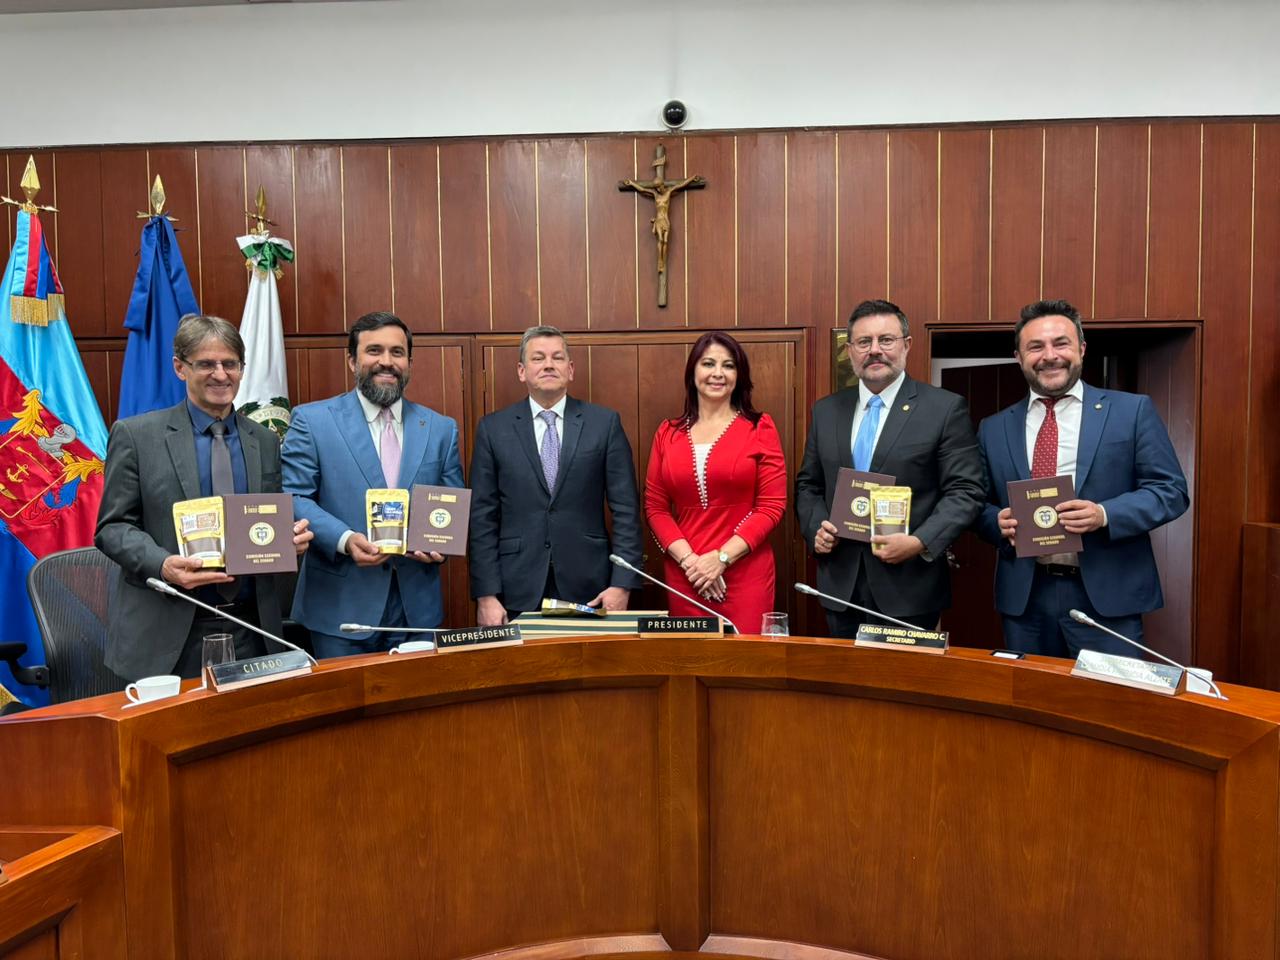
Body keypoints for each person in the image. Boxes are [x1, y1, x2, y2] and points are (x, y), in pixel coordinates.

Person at [96, 314, 313, 680]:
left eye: (230, 364)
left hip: (252, 629)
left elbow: (265, 522)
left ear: (242, 369)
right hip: (166, 631)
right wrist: (163, 566)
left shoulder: (264, 440)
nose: (220, 374)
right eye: (206, 364)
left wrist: (288, 541)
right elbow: (113, 527)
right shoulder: (136, 436)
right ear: (180, 368)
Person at [975, 299, 1189, 657]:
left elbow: (1170, 491)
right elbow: (976, 503)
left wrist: (1104, 514)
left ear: (1082, 349)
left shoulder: (1131, 411)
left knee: (1108, 706)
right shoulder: (993, 428)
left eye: (1061, 343)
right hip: (1026, 598)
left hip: (1107, 595)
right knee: (1031, 706)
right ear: (1019, 356)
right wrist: (994, 522)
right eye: (1035, 347)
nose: (1049, 355)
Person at [795, 299, 985, 637]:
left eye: (886, 340)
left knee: (904, 688)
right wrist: (816, 529)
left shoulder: (943, 408)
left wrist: (919, 542)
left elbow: (966, 491)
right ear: (850, 350)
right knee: (845, 685)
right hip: (841, 586)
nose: (875, 351)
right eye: (864, 342)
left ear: (906, 345)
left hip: (910, 587)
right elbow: (809, 485)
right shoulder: (826, 411)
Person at [281, 311, 463, 657]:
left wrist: (440, 546)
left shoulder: (440, 429)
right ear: (352, 360)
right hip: (340, 609)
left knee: (416, 710)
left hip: (416, 612)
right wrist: (345, 540)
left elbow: (449, 502)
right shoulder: (313, 420)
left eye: (397, 352)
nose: (386, 362)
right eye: (374, 351)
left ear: (409, 361)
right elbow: (294, 496)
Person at [469, 324, 643, 623]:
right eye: (538, 358)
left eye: (557, 357)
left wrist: (622, 584)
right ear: (522, 371)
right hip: (515, 587)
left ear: (571, 369)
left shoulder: (604, 424)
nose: (549, 364)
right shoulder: (493, 429)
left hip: (590, 585)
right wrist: (486, 594)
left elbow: (626, 509)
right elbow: (481, 516)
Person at [644, 332, 786, 634]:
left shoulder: (760, 427)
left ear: (740, 375)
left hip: (744, 571)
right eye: (708, 363)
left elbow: (771, 507)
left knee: (744, 669)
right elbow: (656, 507)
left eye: (729, 365)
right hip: (687, 573)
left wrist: (721, 559)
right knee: (691, 667)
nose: (718, 373)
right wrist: (693, 564)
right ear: (693, 371)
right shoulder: (667, 433)